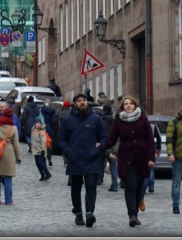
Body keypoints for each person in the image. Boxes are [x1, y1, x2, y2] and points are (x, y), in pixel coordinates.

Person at [101, 95, 156, 227]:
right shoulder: (119, 120)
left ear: (135, 105)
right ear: (122, 107)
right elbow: (112, 140)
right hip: (126, 158)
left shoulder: (143, 118)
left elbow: (150, 139)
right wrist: (100, 146)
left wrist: (151, 158)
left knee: (140, 187)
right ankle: (131, 215)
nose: (128, 105)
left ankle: (135, 213)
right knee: (130, 186)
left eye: (131, 103)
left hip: (142, 158)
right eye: (126, 104)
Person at [59, 92, 108, 228]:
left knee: (91, 187)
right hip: (74, 159)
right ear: (75, 104)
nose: (82, 103)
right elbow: (61, 139)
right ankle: (78, 213)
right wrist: (68, 151)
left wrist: (97, 150)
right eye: (79, 101)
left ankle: (89, 213)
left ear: (87, 103)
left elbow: (104, 138)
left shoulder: (96, 119)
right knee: (75, 188)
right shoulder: (68, 120)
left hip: (91, 159)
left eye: (84, 100)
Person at [0, 105, 23, 205]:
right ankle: (8, 200)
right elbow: (16, 144)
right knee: (8, 177)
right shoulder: (13, 128)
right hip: (8, 153)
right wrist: (18, 157)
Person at [99, 104, 120, 192]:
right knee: (113, 166)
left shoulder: (101, 121)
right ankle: (115, 184)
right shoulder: (115, 121)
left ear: (103, 111)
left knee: (100, 163)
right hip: (113, 146)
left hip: (103, 145)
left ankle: (99, 179)